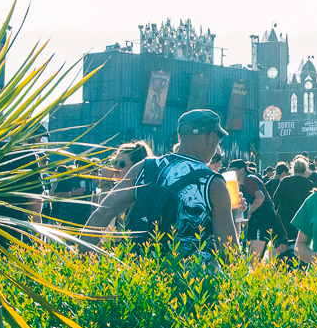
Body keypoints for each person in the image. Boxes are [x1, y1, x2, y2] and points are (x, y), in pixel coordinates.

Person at [82, 109, 238, 260]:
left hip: (141, 276)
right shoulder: (213, 183)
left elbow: (102, 214)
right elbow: (228, 250)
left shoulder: (145, 167)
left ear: (179, 137)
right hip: (192, 281)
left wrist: (78, 264)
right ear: (211, 138)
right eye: (219, 139)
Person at [228, 160, 286, 259]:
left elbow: (260, 197)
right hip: (266, 215)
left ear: (242, 170)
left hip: (262, 216)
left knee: (254, 259)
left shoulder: (248, 179)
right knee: (267, 259)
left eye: (233, 171)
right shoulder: (248, 180)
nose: (231, 174)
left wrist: (250, 212)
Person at [274, 156, 316, 241]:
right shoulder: (309, 184)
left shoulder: (285, 181)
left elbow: (276, 199)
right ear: (305, 169)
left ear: (293, 169)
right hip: (302, 220)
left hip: (285, 218)